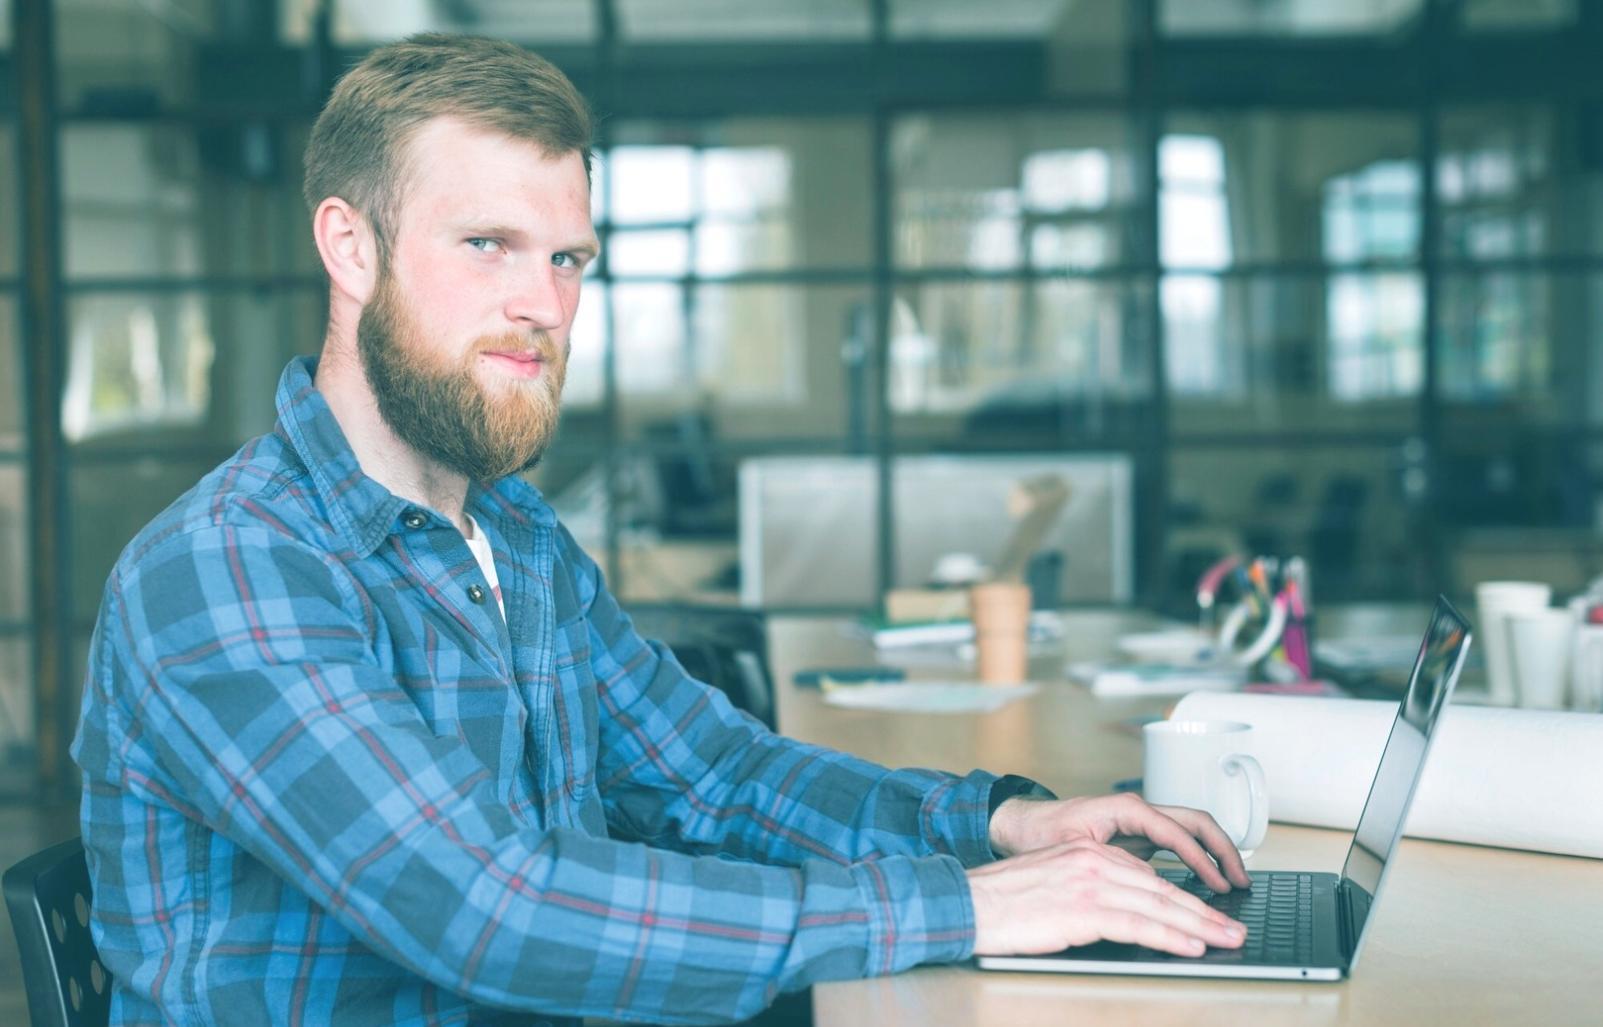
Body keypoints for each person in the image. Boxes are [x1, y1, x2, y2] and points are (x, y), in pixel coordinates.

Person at [72, 34, 1249, 1027]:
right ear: (351, 248)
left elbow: (713, 774)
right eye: (486, 244)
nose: (542, 303)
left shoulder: (515, 538)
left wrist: (1000, 823)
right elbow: (493, 910)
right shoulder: (225, 568)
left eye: (568, 258)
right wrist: (975, 905)